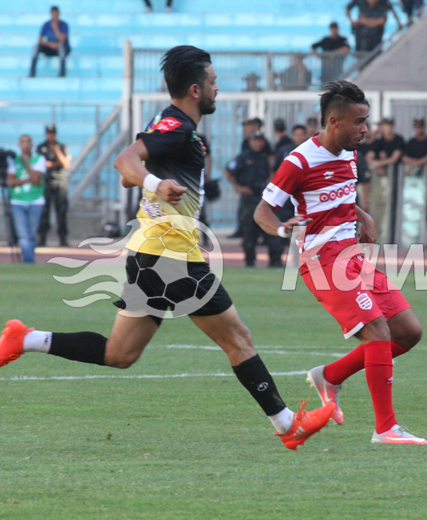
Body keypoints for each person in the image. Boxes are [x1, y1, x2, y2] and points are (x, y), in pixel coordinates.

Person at [0, 46, 334, 451]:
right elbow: (124, 163)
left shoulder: (174, 127)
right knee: (238, 339)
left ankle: (25, 338)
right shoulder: (175, 127)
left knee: (120, 353)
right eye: (212, 82)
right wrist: (157, 184)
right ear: (195, 89)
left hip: (150, 256)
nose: (217, 88)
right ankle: (287, 426)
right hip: (171, 258)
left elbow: (130, 175)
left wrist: (158, 176)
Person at [255, 80, 427, 445]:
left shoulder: (349, 152)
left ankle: (330, 375)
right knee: (378, 333)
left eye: (366, 120)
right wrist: (280, 229)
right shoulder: (299, 161)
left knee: (408, 331)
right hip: (322, 261)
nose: (365, 129)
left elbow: (341, 195)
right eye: (359, 122)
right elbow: (263, 211)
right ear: (334, 122)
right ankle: (385, 429)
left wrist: (361, 215)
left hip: (351, 255)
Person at [228, 130, 280, 268]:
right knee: (249, 233)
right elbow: (228, 171)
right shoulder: (243, 157)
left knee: (271, 230)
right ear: (250, 141)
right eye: (255, 140)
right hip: (249, 200)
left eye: (260, 140)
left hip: (266, 199)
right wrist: (238, 187)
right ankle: (250, 262)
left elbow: (275, 172)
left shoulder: (268, 158)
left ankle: (275, 261)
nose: (257, 143)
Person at [6, 135, 47, 263]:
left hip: (35, 200)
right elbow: (11, 181)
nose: (25, 145)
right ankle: (29, 261)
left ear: (32, 144)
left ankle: (28, 257)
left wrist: (27, 163)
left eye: (28, 142)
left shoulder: (39, 159)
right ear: (19, 144)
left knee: (31, 234)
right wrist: (28, 180)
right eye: (22, 142)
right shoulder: (13, 160)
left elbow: (36, 178)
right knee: (23, 234)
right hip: (18, 201)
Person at [36, 124, 71, 247]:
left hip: (60, 181)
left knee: (61, 212)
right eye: (49, 133)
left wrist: (56, 152)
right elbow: (42, 164)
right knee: (44, 212)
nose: (51, 135)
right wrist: (56, 164)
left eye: (53, 133)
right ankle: (42, 238)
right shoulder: (41, 147)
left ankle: (63, 238)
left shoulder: (62, 146)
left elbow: (65, 164)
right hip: (46, 182)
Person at [29, 6, 70, 78]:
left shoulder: (64, 25)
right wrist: (50, 44)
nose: (55, 16)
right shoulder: (46, 24)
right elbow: (40, 39)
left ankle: (62, 72)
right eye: (53, 14)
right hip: (51, 47)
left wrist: (55, 27)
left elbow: (62, 39)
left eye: (56, 14)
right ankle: (32, 72)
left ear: (59, 14)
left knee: (61, 46)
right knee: (37, 47)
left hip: (62, 49)